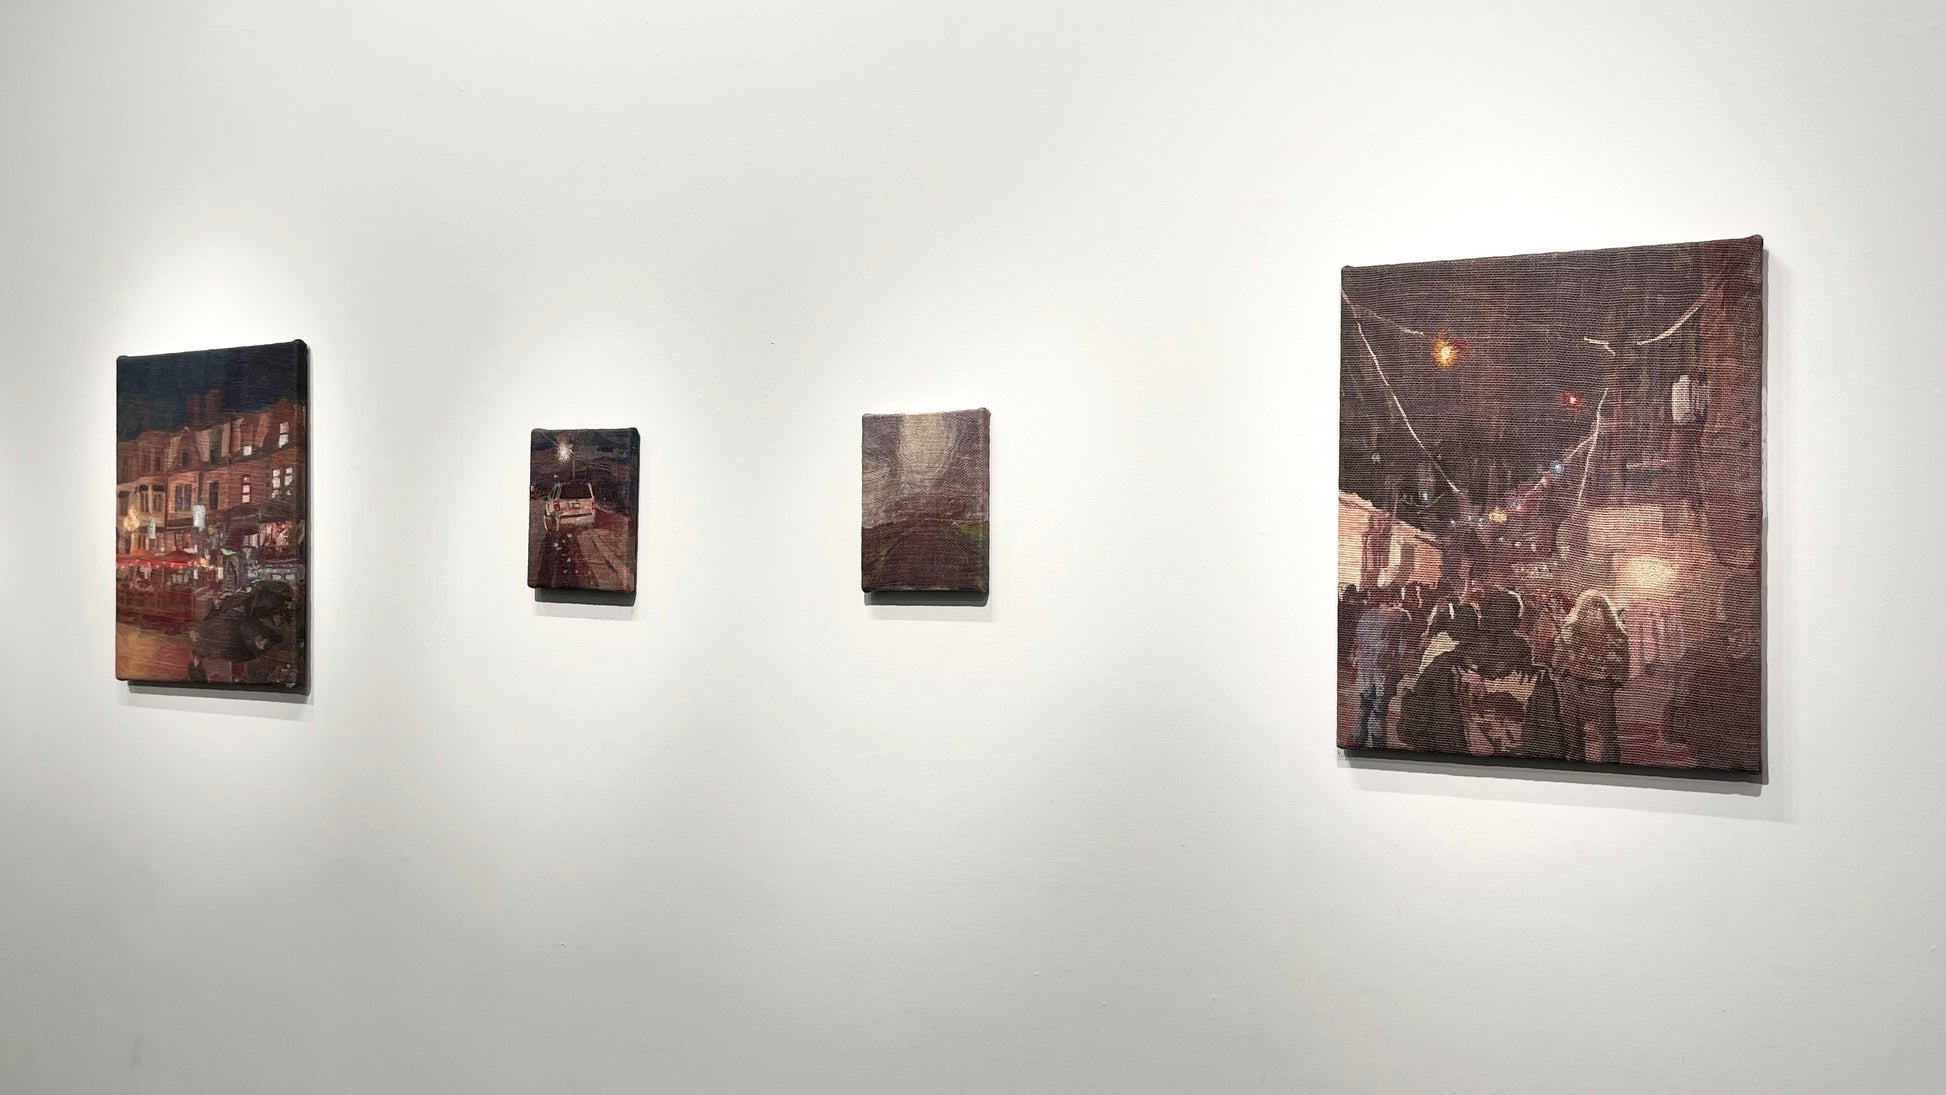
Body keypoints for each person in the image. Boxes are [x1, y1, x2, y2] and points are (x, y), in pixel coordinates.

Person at [1553, 589, 1631, 764]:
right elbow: (1558, 659)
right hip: (1577, 685)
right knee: (1575, 736)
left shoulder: (1615, 634)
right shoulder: (1571, 631)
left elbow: (1622, 666)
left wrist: (1611, 681)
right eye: (1590, 608)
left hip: (1597, 686)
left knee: (1605, 735)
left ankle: (1609, 769)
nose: (1594, 613)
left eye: (1598, 608)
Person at [1351, 587, 1414, 748]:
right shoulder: (1400, 616)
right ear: (1395, 599)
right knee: (1379, 709)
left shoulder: (1368, 615)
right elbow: (1402, 646)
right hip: (1384, 667)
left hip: (1366, 666)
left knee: (1364, 706)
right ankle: (1378, 746)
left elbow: (1358, 639)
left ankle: (1358, 741)